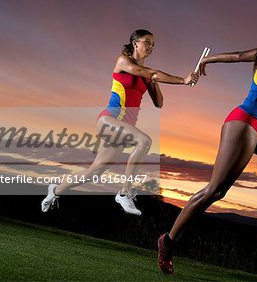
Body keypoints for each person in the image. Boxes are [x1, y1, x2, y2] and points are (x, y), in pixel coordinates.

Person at [158, 2, 257, 274]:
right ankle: (168, 240)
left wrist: (207, 60)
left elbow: (237, 56)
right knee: (215, 191)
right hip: (245, 123)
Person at [41, 29, 199, 216]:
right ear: (135, 43)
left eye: (153, 44)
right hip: (110, 119)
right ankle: (125, 192)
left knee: (94, 172)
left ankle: (54, 190)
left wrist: (153, 81)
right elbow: (152, 73)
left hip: (124, 128)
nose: (151, 47)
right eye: (147, 42)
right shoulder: (123, 61)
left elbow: (159, 103)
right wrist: (183, 80)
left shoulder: (147, 75)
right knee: (144, 141)